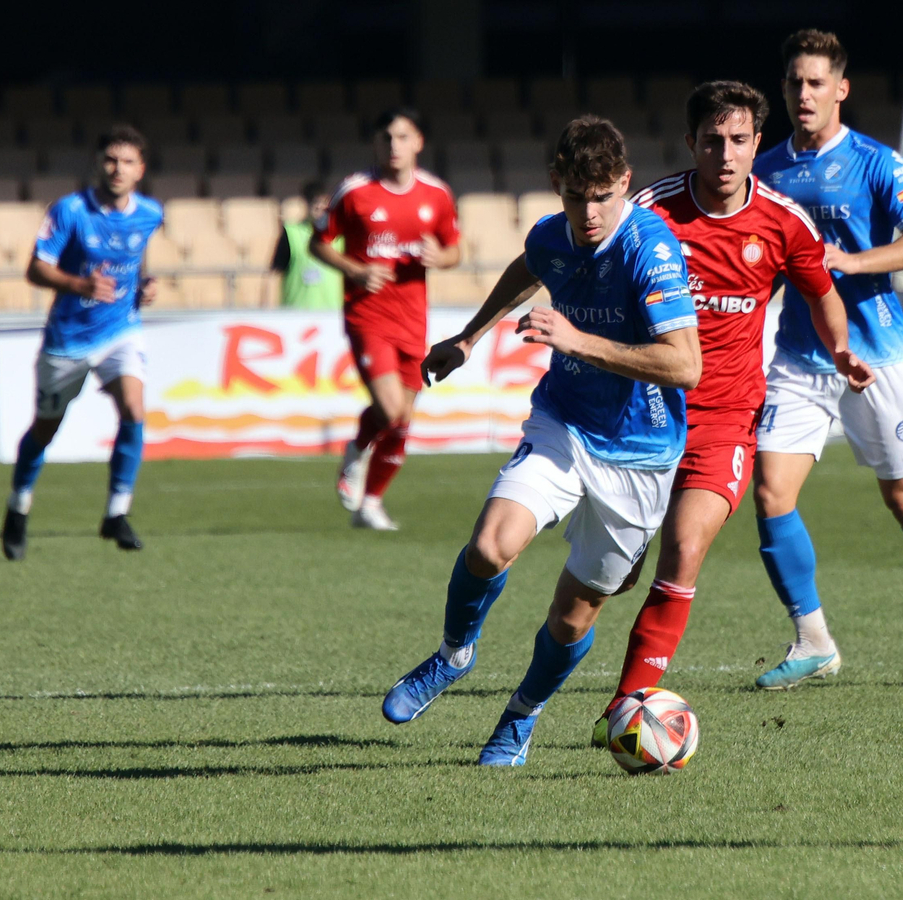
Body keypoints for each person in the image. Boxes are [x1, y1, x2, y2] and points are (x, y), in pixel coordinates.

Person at [379, 117, 701, 767]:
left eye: (604, 195)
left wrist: (576, 340)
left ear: (625, 185)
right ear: (558, 186)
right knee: (489, 546)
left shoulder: (651, 249)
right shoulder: (553, 236)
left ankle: (519, 719)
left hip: (639, 454)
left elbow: (685, 365)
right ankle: (452, 656)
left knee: (573, 615)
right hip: (563, 422)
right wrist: (469, 338)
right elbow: (532, 264)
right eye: (577, 196)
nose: (590, 212)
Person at [589, 80, 874, 745]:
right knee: (612, 573)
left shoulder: (781, 220)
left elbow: (820, 289)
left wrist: (840, 349)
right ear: (691, 142)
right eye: (712, 140)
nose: (725, 153)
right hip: (643, 417)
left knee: (684, 550)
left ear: (756, 145)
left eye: (739, 140)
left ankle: (626, 709)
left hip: (726, 421)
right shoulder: (648, 213)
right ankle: (534, 687)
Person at [749, 29, 903, 690]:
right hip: (799, 355)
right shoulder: (768, 170)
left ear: (841, 89)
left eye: (817, 83)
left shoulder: (875, 161)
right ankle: (812, 639)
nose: (804, 94)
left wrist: (849, 261)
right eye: (794, 82)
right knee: (770, 492)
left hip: (874, 353)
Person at [2, 125, 163, 560]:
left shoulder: (150, 212)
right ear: (98, 164)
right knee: (45, 430)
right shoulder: (70, 211)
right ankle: (18, 506)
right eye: (110, 159)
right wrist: (79, 283)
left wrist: (145, 288)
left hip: (120, 332)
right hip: (68, 340)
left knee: (134, 408)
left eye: (127, 161)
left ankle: (116, 513)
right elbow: (36, 270)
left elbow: (137, 259)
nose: (118, 168)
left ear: (140, 170)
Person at [313, 108, 461, 530]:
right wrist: (356, 270)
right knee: (390, 406)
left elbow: (455, 249)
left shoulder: (436, 194)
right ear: (375, 144)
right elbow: (319, 243)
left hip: (413, 317)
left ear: (418, 143)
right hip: (368, 313)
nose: (394, 146)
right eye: (386, 138)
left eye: (402, 137)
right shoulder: (355, 191)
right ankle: (357, 449)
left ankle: (371, 504)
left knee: (404, 419)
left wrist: (442, 257)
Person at [265, 180, 344, 309]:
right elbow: (274, 274)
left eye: (324, 202)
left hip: (332, 316)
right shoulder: (291, 233)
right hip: (297, 316)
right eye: (315, 202)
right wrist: (267, 311)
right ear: (306, 204)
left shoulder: (340, 236)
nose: (319, 207)